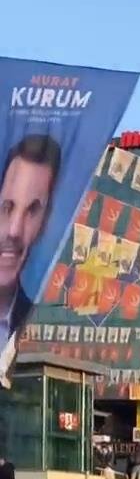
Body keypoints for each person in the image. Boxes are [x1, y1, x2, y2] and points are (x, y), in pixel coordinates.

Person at [0, 135, 62, 361]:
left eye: (31, 211)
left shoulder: (33, 322)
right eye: (7, 207)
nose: (15, 231)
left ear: (44, 221)